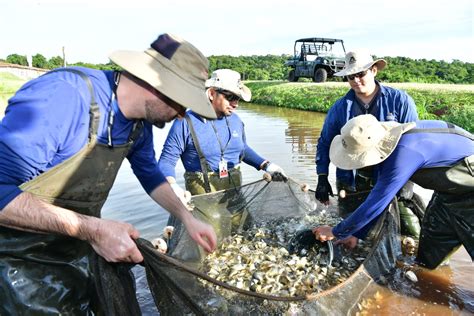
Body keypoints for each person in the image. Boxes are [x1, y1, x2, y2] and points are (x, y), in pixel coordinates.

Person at [0, 33, 218, 313]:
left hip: (76, 248)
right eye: (182, 104)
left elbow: (149, 173)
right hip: (15, 263)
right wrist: (94, 229)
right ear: (158, 86)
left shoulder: (139, 123)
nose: (180, 115)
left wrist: (187, 217)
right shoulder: (64, 97)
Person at [314, 114, 474, 269]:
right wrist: (356, 233)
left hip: (469, 190)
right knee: (430, 252)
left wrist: (336, 232)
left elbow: (377, 201)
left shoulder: (403, 153)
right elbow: (380, 197)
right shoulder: (389, 140)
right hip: (449, 192)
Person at [315, 50, 419, 215]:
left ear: (374, 70)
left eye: (361, 74)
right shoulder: (339, 108)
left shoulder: (400, 101)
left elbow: (414, 143)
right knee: (348, 228)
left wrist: (408, 181)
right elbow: (325, 141)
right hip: (350, 179)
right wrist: (322, 176)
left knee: (407, 229)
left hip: (390, 177)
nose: (356, 80)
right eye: (350, 76)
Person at [158, 68, 287, 198]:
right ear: (212, 93)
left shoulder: (236, 121)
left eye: (237, 98)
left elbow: (241, 149)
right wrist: (172, 186)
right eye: (230, 97)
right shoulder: (185, 122)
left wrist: (266, 165)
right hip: (203, 201)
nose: (235, 104)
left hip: (234, 198)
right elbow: (166, 161)